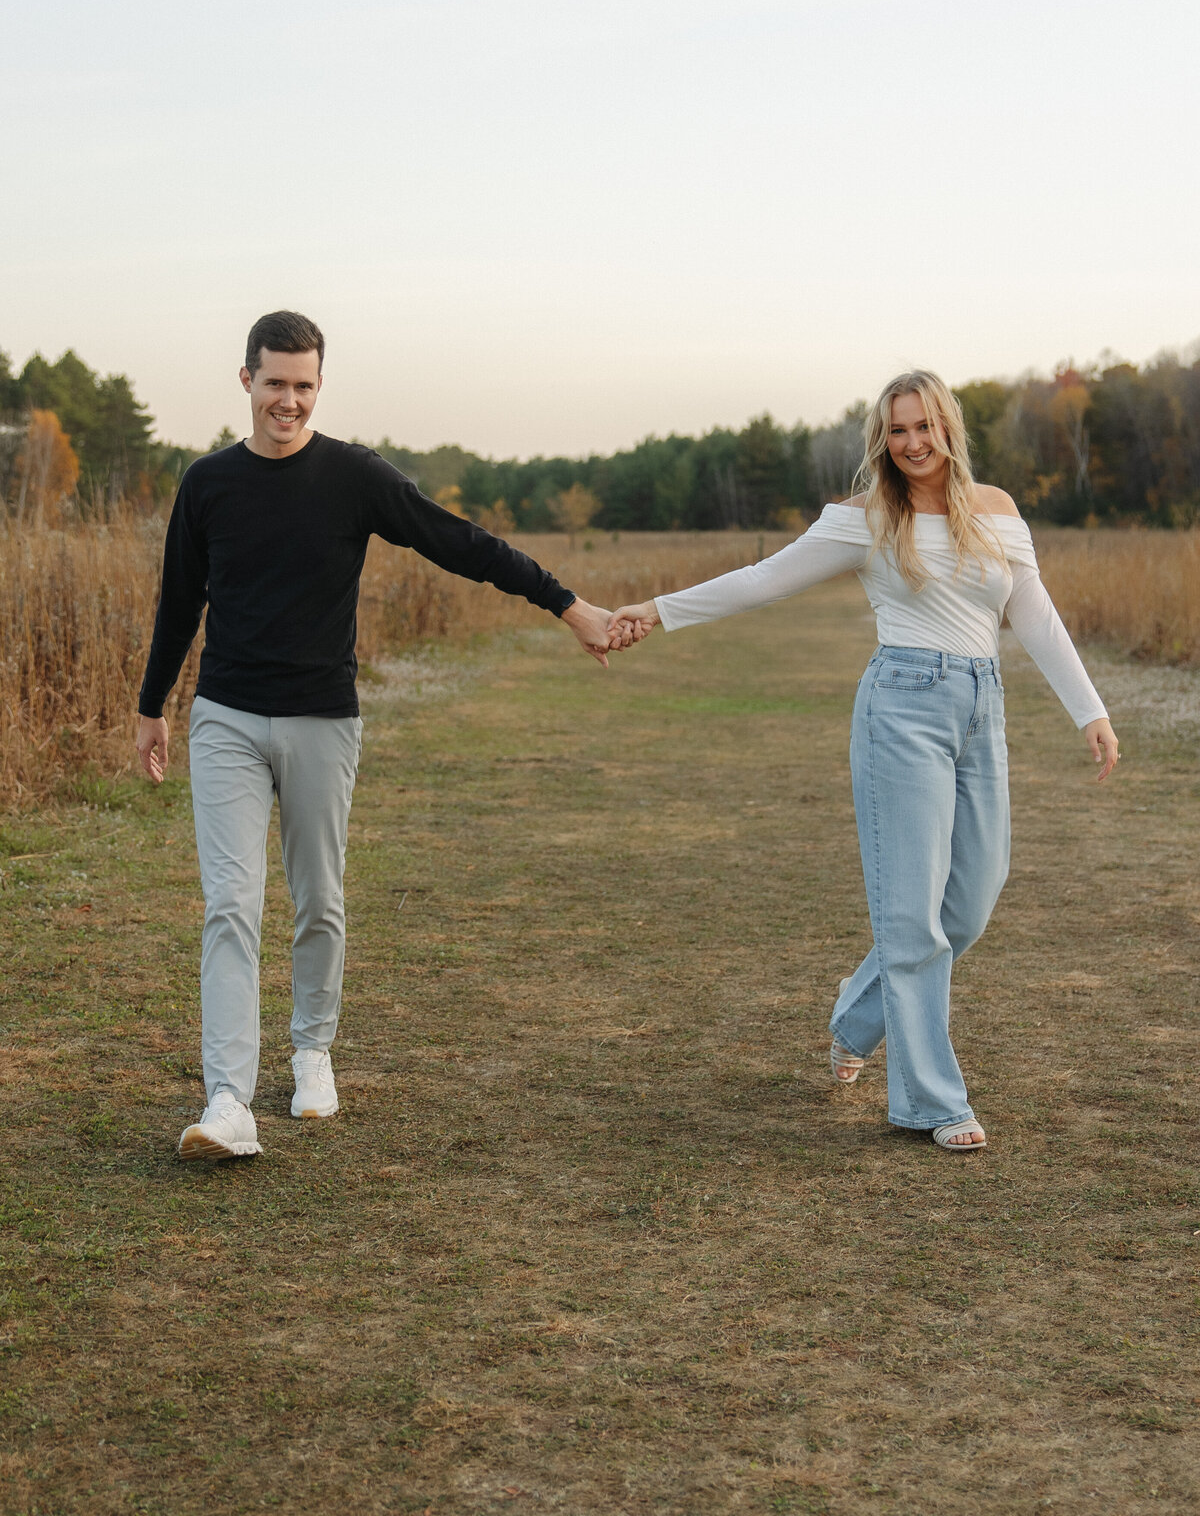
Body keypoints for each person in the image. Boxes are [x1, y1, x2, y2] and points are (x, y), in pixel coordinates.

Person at [136, 310, 615, 1162]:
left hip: (323, 717)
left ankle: (312, 1053)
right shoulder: (207, 483)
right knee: (230, 906)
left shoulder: (353, 476)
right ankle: (228, 1101)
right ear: (245, 380)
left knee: (319, 897)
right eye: (275, 382)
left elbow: (459, 543)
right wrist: (150, 707)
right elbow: (181, 600)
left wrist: (565, 603)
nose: (288, 400)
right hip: (226, 718)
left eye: (304, 386)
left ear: (320, 387)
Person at [609, 370, 1118, 1153]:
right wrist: (657, 610)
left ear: (949, 427)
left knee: (971, 904)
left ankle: (855, 1019)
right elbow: (761, 581)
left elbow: (1035, 616)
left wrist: (1091, 710)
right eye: (896, 431)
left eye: (924, 427)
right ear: (883, 440)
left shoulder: (998, 513)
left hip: (983, 710)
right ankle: (933, 1103)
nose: (912, 443)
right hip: (902, 710)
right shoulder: (865, 520)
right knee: (911, 915)